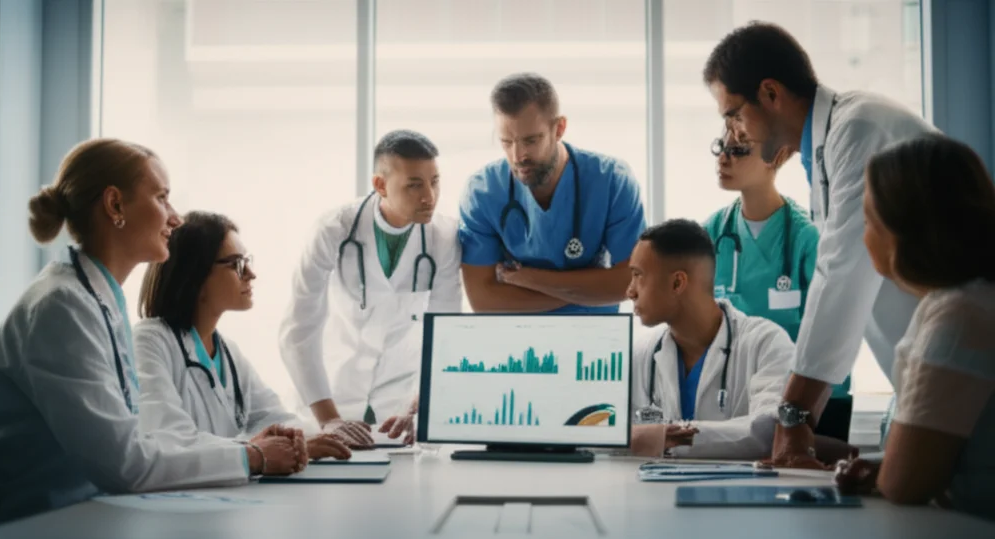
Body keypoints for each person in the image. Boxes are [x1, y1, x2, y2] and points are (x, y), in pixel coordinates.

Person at [0, 139, 305, 527]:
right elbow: (126, 463)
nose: (175, 218)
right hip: (13, 527)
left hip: (69, 517)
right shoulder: (62, 307)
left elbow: (136, 445)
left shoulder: (95, 301)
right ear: (115, 205)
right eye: (163, 198)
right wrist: (252, 456)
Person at [703, 22, 936, 466]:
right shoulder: (827, 151)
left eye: (733, 114)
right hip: (927, 372)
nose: (731, 135)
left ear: (770, 93)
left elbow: (840, 278)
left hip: (962, 368)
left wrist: (793, 418)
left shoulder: (859, 129)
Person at [834, 134, 995, 520]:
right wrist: (882, 468)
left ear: (904, 231)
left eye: (869, 220)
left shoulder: (961, 315)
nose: (863, 235)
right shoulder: (961, 302)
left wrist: (887, 472)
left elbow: (906, 483)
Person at [279, 130, 461, 446]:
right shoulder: (334, 229)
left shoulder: (444, 238)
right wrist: (329, 420)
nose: (429, 196)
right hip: (328, 402)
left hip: (398, 414)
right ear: (380, 185)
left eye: (435, 181)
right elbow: (298, 331)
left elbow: (445, 333)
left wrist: (423, 408)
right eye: (414, 184)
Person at [135, 211, 352, 461]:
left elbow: (272, 416)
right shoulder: (150, 341)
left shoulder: (228, 351)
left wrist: (317, 435)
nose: (250, 273)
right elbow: (169, 438)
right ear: (196, 274)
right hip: (178, 494)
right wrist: (256, 450)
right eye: (236, 264)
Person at [703, 128, 852, 441]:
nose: (723, 159)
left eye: (738, 150)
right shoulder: (713, 232)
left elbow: (836, 328)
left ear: (778, 156)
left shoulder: (807, 237)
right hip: (737, 397)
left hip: (807, 401)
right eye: (721, 147)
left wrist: (811, 407)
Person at [458, 73, 646, 313]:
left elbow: (630, 283)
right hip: (516, 339)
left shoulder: (612, 181)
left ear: (559, 129)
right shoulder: (482, 193)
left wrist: (529, 279)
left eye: (531, 141)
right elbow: (484, 302)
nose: (518, 156)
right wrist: (588, 291)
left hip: (595, 339)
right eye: (507, 142)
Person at [626, 219, 791, 459]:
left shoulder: (766, 344)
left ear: (677, 283)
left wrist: (663, 437)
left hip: (740, 494)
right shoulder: (641, 354)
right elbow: (613, 437)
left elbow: (768, 432)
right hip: (657, 493)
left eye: (637, 275)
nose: (629, 291)